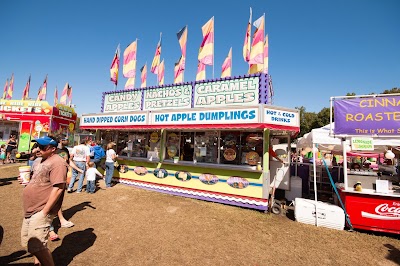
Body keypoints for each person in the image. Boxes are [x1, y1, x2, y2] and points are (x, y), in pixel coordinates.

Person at [19, 136, 68, 266]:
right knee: (30, 244)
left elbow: (58, 188)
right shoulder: (39, 161)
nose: (38, 149)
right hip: (30, 209)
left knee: (37, 246)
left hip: (41, 210)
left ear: (53, 149)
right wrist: (25, 181)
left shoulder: (58, 163)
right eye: (38, 146)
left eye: (42, 147)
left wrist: (45, 211)